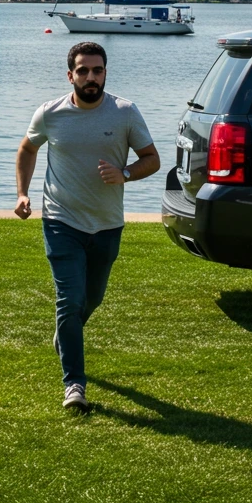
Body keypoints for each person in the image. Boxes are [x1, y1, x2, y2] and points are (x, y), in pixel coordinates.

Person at [14, 41, 160, 412]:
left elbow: (152, 159)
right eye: (83, 70)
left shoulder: (125, 113)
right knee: (70, 299)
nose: (90, 77)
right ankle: (74, 385)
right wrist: (22, 193)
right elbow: (28, 149)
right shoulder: (50, 114)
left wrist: (124, 173)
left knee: (92, 299)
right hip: (61, 221)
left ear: (105, 73)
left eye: (97, 70)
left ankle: (66, 335)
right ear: (70, 75)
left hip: (108, 225)